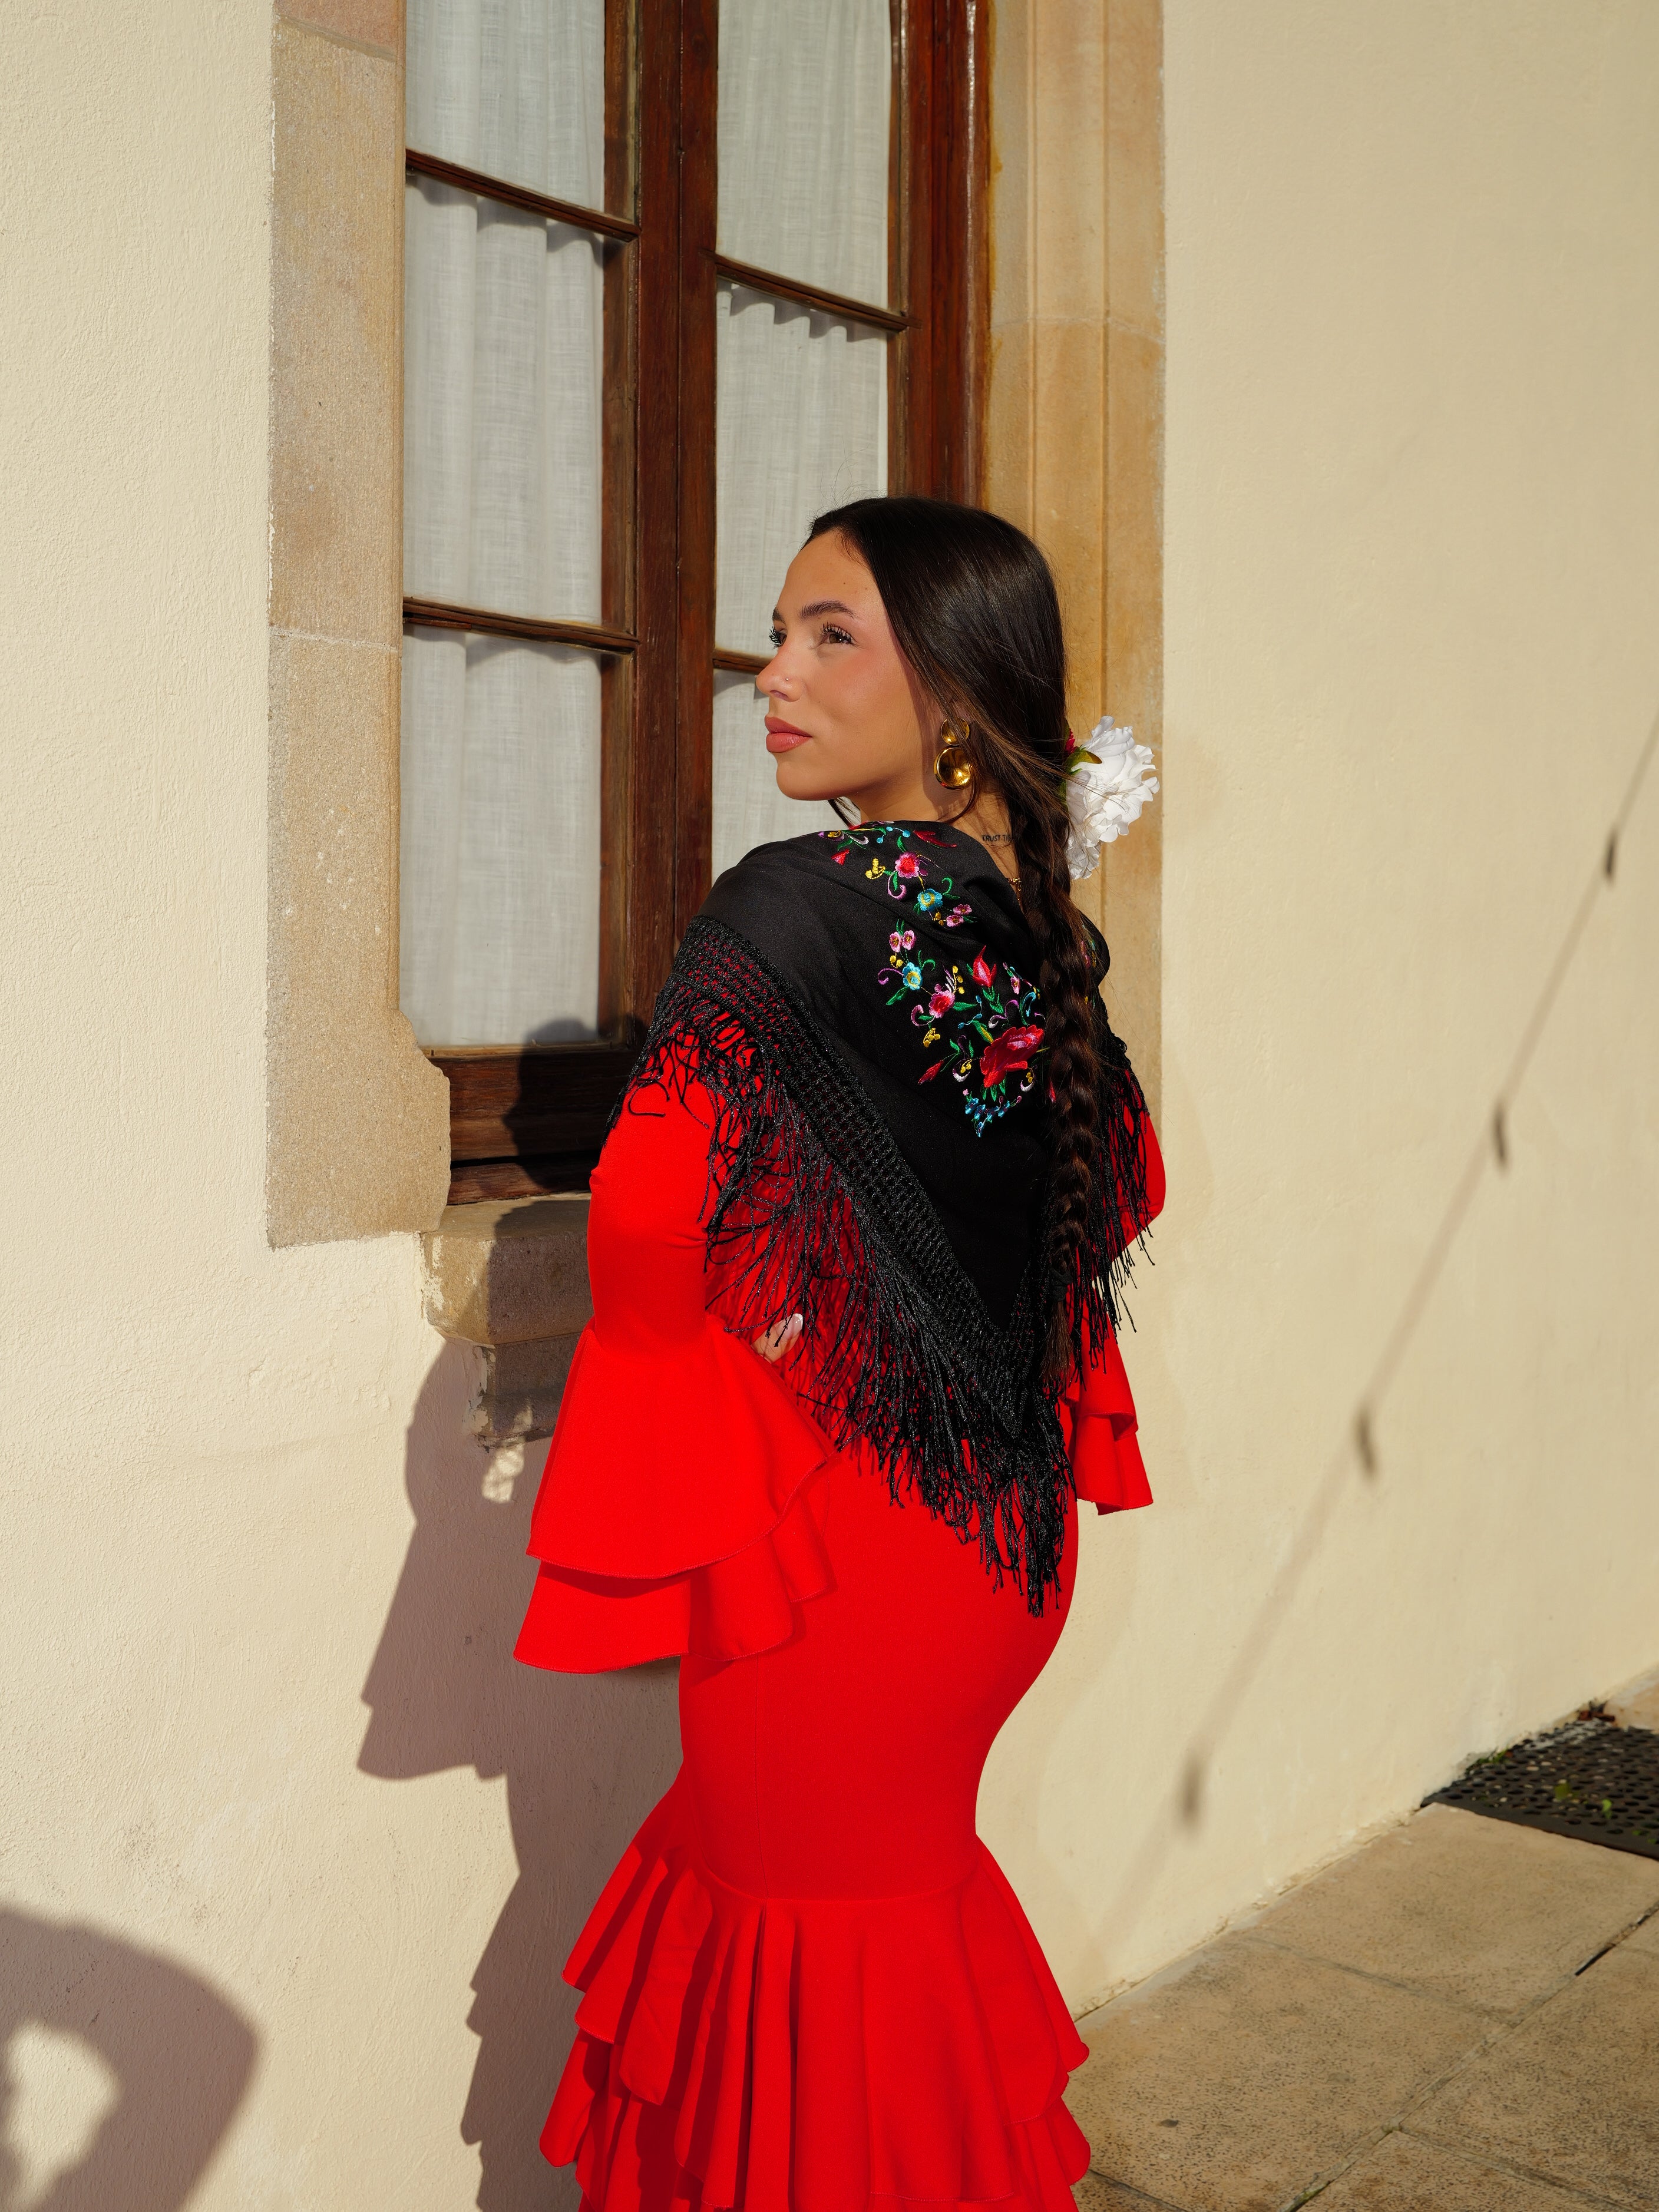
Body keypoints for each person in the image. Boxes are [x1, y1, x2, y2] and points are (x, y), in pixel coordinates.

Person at [514, 494, 1165, 2212]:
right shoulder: (1033, 939)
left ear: (950, 697)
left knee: (799, 1970)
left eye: (828, 636)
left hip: (838, 1576)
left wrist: (763, 1351)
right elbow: (1126, 1187)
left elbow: (644, 1229)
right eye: (778, 634)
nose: (771, 673)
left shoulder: (795, 903)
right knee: (880, 1943)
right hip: (997, 1556)